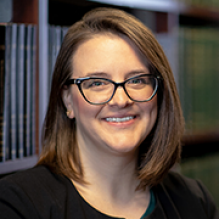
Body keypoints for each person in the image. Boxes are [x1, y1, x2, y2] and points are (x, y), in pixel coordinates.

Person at [0, 7, 218, 219]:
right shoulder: (18, 204)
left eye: (137, 80)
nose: (121, 100)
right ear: (68, 100)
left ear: (159, 92)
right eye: (97, 83)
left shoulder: (193, 199)